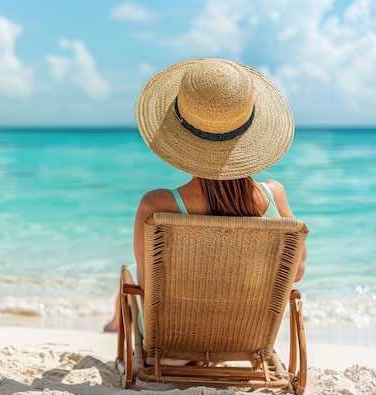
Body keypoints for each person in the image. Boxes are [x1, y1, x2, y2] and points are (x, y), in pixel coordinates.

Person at [104, 58, 307, 332]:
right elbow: (295, 274)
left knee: (127, 274)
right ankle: (114, 324)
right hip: (244, 336)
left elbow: (147, 285)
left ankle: (114, 326)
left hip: (169, 340)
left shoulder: (156, 205)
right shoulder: (275, 195)